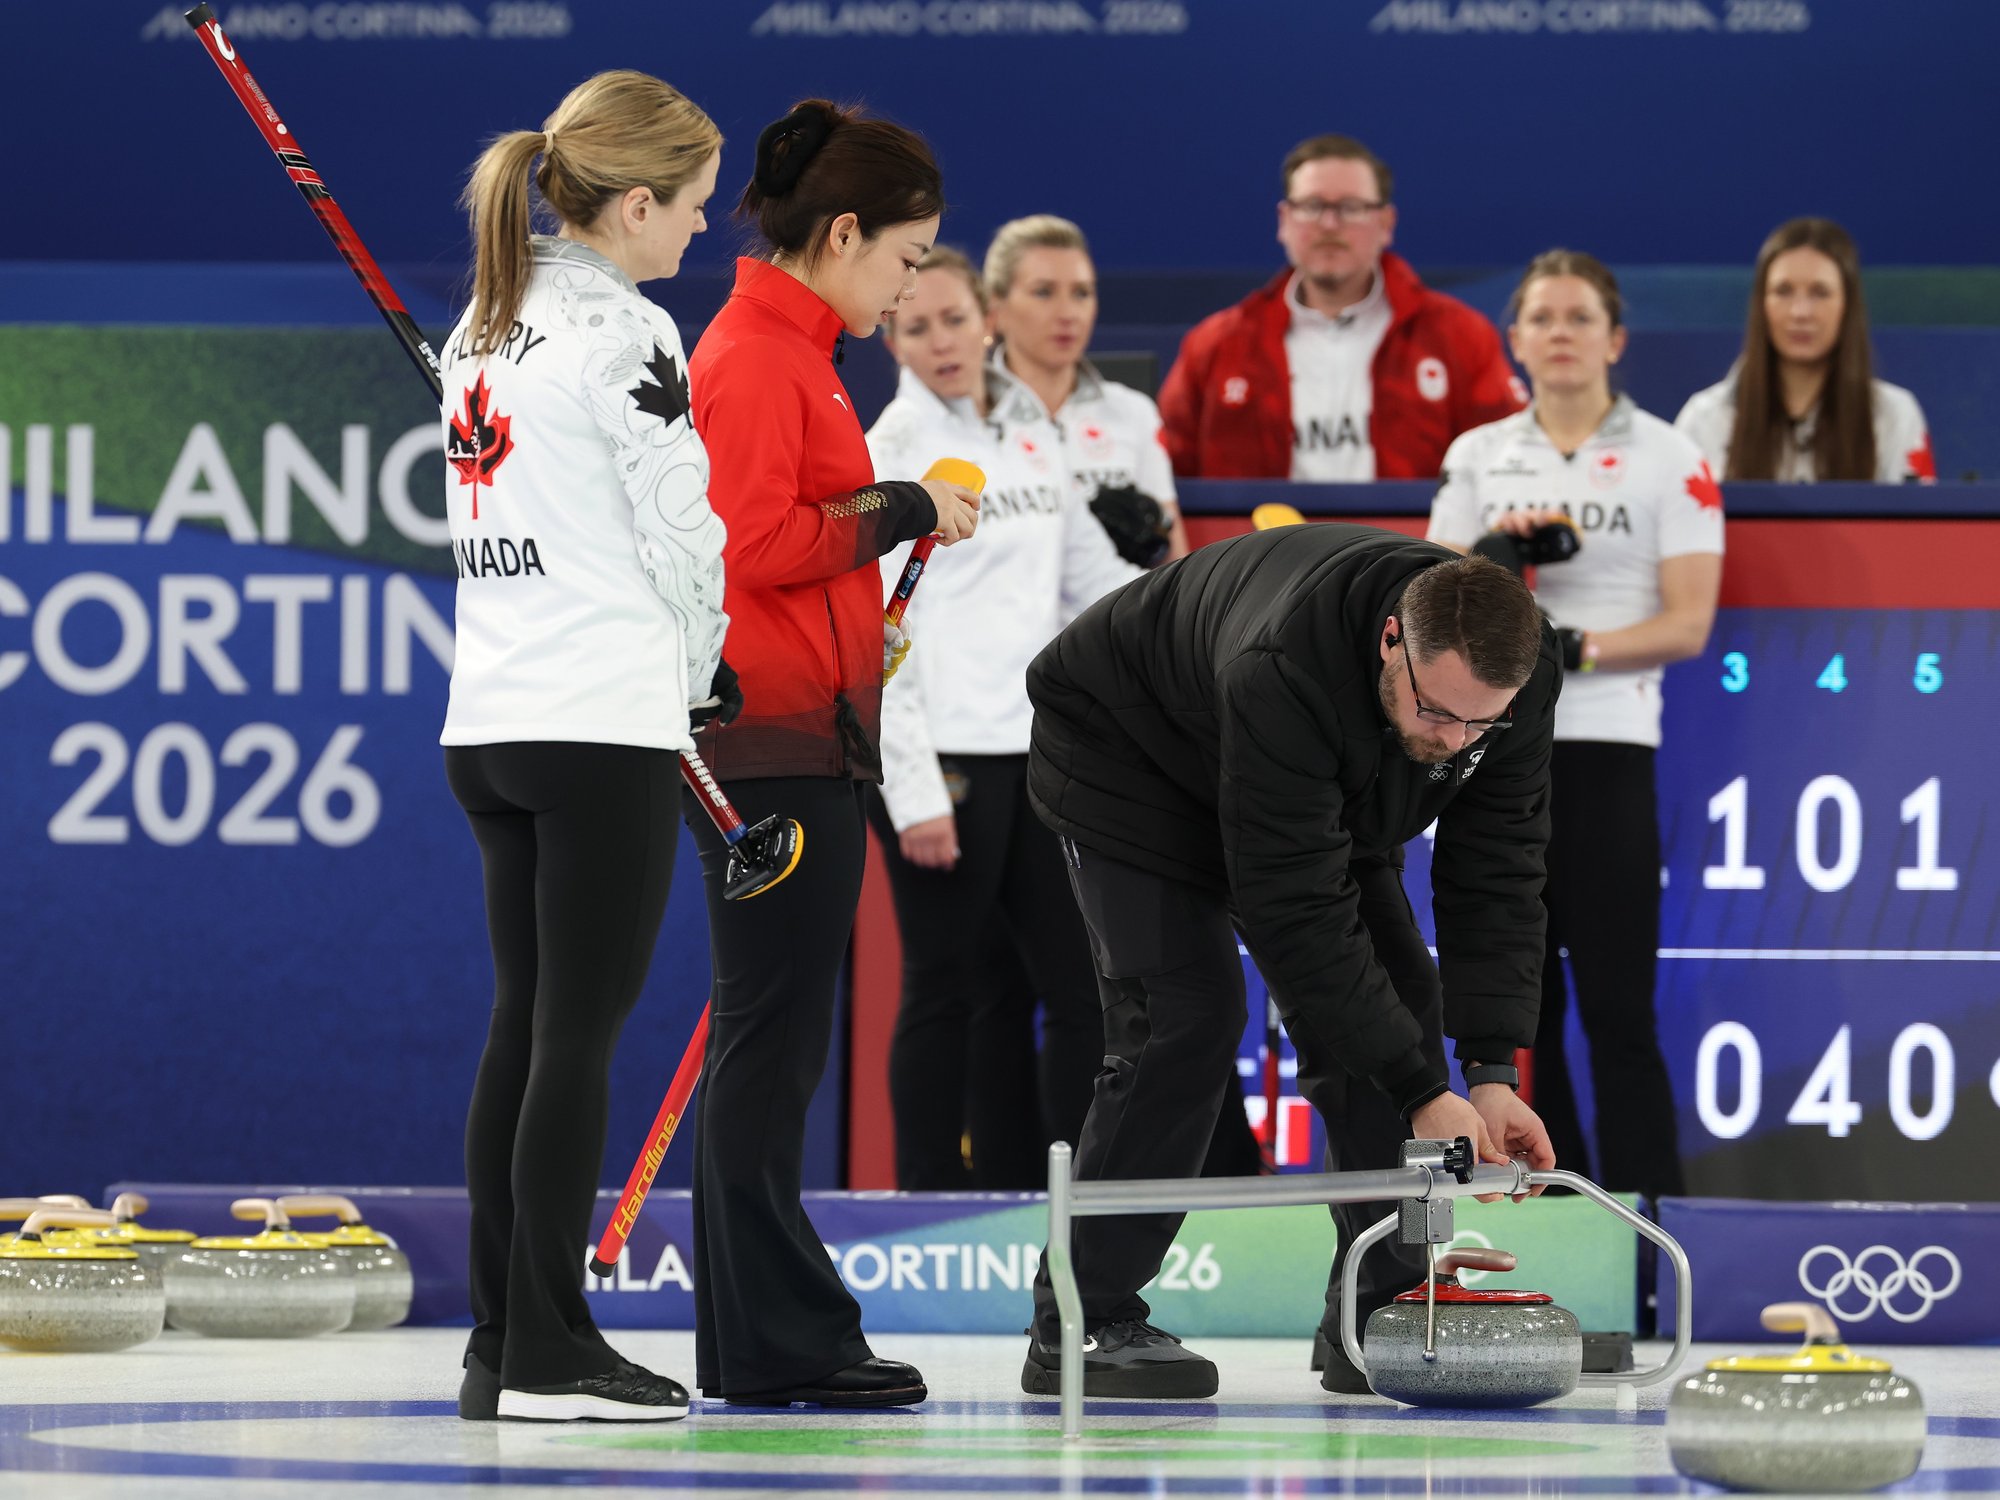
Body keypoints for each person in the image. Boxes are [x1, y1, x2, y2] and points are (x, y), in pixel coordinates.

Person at [1019, 531, 1560, 1399]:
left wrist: (1491, 1071)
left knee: (1397, 996)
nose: (1455, 741)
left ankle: (1380, 1307)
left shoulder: (1514, 681)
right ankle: (1083, 1319)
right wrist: (1425, 1093)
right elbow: (1294, 912)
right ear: (1393, 639)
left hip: (1307, 773)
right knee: (1185, 1017)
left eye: (1479, 724)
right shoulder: (1284, 664)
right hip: (1134, 752)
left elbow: (1499, 868)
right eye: (1437, 712)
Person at [684, 99, 981, 1408]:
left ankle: (769, 1333)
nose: (912, 285)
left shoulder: (799, 352)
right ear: (847, 232)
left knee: (780, 1041)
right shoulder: (753, 355)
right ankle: (772, 1336)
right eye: (907, 259)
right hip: (771, 747)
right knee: (770, 1039)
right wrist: (904, 505)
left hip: (811, 738)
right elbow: (752, 546)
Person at [441, 71, 728, 1423]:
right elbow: (683, 533)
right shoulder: (629, 332)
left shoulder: (483, 321)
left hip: (492, 721)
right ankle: (550, 1346)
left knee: (528, 1031)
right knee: (575, 1041)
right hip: (601, 718)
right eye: (691, 208)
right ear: (631, 203)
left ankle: (505, 1342)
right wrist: (706, 672)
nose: (700, 234)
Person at [1428, 250, 1723, 1203]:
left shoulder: (1671, 455)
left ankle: (1655, 1234)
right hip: (1497, 748)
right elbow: (1433, 599)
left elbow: (1687, 622)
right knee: (1521, 1020)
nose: (1561, 333)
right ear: (1514, 339)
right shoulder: (1479, 454)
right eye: (1542, 318)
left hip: (1607, 753)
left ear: (1615, 338)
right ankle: (1551, 1217)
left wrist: (1562, 649)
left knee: (1619, 1014)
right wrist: (1496, 557)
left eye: (1579, 317)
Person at [866, 247, 1139, 1190]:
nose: (940, 341)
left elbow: (1094, 582)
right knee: (944, 987)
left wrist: (1190, 607)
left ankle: (1066, 1204)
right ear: (890, 335)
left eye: (952, 319)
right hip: (942, 761)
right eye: (915, 325)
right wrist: (912, 794)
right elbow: (879, 631)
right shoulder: (887, 451)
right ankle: (922, 1207)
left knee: (1077, 991)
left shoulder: (1032, 433)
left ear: (985, 318)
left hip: (1041, 759)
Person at [1157, 133, 1524, 481]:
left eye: (1350, 208)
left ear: (1385, 223)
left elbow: (1511, 463)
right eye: (1312, 206)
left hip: (1415, 547)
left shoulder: (1460, 336)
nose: (1329, 225)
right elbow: (1167, 478)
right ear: (1284, 221)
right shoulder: (1216, 345)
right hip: (1268, 547)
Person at [983, 215, 1190, 564]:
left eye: (1081, 293)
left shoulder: (1133, 413)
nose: (1068, 313)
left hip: (1122, 614)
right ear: (995, 309)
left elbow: (1175, 564)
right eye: (1044, 292)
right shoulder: (962, 416)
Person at [1675, 217, 1934, 483]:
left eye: (1820, 293)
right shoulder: (1705, 418)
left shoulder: (1894, 416)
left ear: (1848, 305)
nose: (1800, 312)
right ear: (1761, 304)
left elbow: (1918, 524)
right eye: (1783, 291)